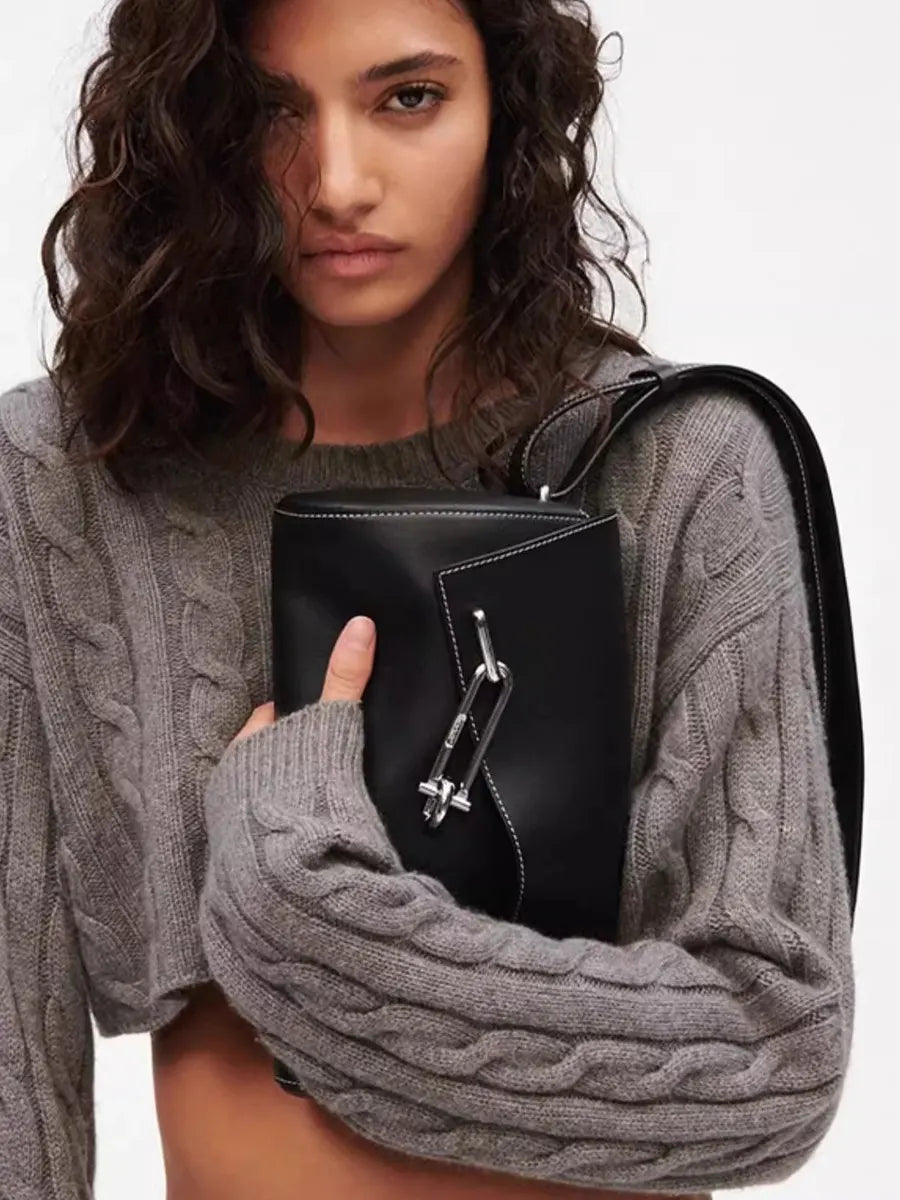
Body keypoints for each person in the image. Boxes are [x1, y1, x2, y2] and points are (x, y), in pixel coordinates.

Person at [0, 0, 854, 1197]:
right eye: (270, 109)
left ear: (509, 104)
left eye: (408, 97)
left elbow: (773, 1063)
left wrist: (306, 910)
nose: (337, 183)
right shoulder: (70, 476)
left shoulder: (677, 463)